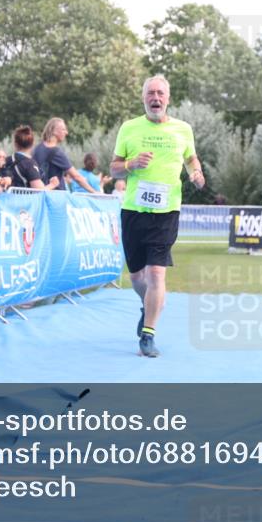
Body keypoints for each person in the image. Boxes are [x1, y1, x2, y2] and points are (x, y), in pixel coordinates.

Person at [110, 75, 204, 358]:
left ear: (168, 98)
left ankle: (148, 335)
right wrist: (131, 163)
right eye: (151, 93)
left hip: (166, 211)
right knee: (137, 277)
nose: (156, 98)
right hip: (133, 211)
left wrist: (196, 173)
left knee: (155, 273)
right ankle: (149, 304)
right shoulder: (129, 128)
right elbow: (114, 168)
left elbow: (191, 158)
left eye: (160, 93)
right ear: (143, 98)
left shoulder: (183, 129)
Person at [33, 118, 97, 193]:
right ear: (54, 131)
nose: (66, 133)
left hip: (40, 195)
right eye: (63, 129)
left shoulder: (37, 149)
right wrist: (95, 192)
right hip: (55, 196)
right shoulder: (57, 153)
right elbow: (77, 177)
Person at [0, 125, 59, 190]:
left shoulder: (5, 161)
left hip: (5, 196)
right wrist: (52, 184)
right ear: (32, 144)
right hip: (23, 196)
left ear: (15, 143)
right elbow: (39, 190)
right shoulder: (29, 164)